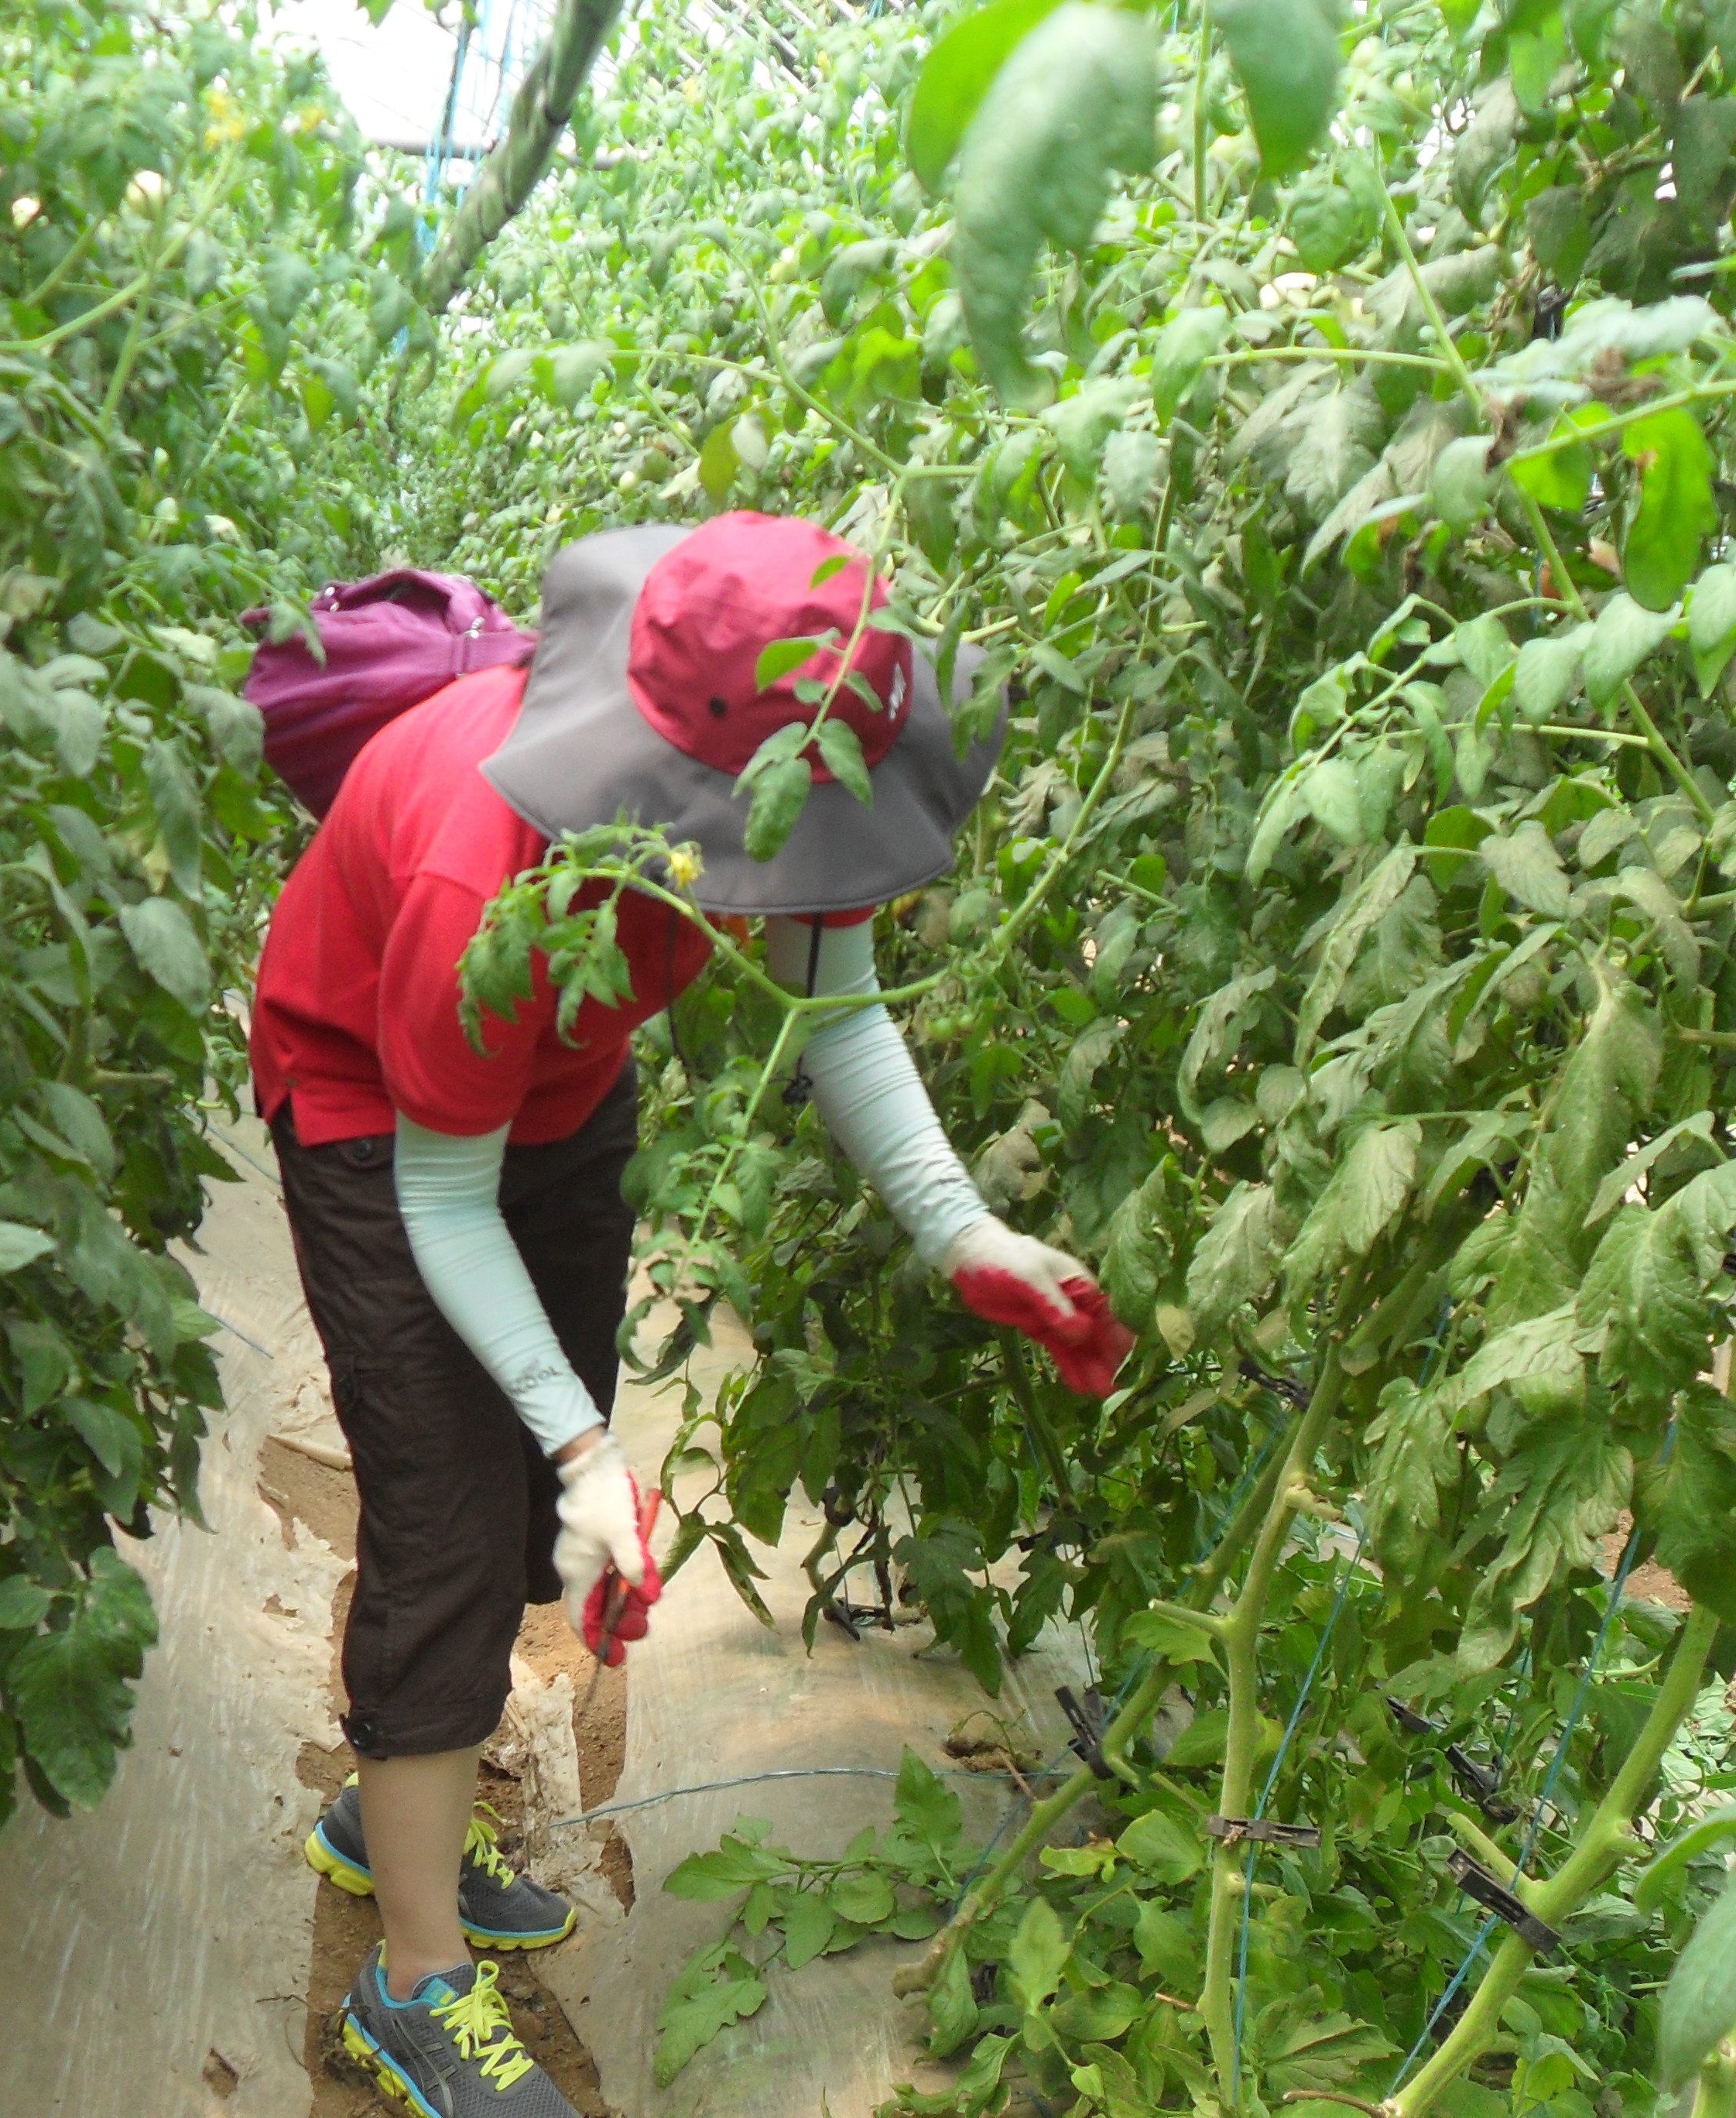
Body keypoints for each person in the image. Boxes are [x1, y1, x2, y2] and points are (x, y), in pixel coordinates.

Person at [248, 511, 1135, 2115]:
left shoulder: (782, 782)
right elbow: (443, 1207)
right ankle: (415, 1979)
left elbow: (838, 1002)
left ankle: (388, 1819)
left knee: (522, 1516)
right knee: (449, 1514)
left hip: (559, 1092)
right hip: (377, 1113)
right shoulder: (478, 866)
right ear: (665, 789)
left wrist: (964, 1232)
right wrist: (594, 1445)